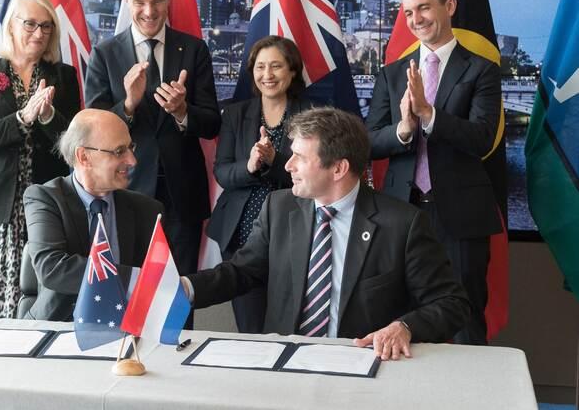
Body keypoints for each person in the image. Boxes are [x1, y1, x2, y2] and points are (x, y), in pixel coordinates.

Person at [185, 107, 469, 360]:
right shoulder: (279, 208)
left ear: (338, 168)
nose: (287, 165)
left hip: (361, 368)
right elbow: (240, 272)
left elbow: (452, 304)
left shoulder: (402, 225)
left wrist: (405, 327)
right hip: (284, 366)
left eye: (299, 157)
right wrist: (185, 288)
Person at [365, 0, 502, 345]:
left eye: (424, 7)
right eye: (408, 12)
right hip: (399, 214)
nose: (416, 19)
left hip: (459, 215)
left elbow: (482, 138)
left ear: (449, 6)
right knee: (397, 322)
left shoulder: (482, 70)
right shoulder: (392, 74)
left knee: (465, 320)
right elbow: (368, 141)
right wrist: (404, 129)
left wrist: (430, 115)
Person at [84, 0, 220, 278]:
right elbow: (92, 131)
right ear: (126, 1)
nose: (150, 11)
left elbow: (213, 122)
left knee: (179, 294)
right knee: (128, 290)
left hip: (182, 197)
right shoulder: (104, 55)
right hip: (125, 192)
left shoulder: (194, 49)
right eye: (140, 2)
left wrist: (183, 112)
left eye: (158, 1)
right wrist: (128, 105)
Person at [0, 0, 81, 318]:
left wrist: (46, 117)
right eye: (30, 24)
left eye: (46, 27)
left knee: (46, 296)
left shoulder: (65, 77)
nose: (39, 33)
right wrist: (21, 117)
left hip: (47, 202)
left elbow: (73, 146)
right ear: (12, 26)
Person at [208, 36, 314, 333]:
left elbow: (315, 172)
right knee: (250, 326)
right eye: (260, 67)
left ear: (292, 71)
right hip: (242, 233)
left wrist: (274, 160)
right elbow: (223, 172)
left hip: (295, 229)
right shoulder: (235, 114)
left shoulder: (311, 114)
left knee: (291, 324)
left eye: (276, 66)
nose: (267, 75)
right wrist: (252, 166)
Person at [23, 109, 163, 321]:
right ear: (84, 156)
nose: (132, 160)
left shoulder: (147, 209)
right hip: (59, 326)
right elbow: (52, 268)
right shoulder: (45, 198)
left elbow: (160, 281)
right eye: (119, 151)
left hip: (123, 329)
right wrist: (136, 278)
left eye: (130, 148)